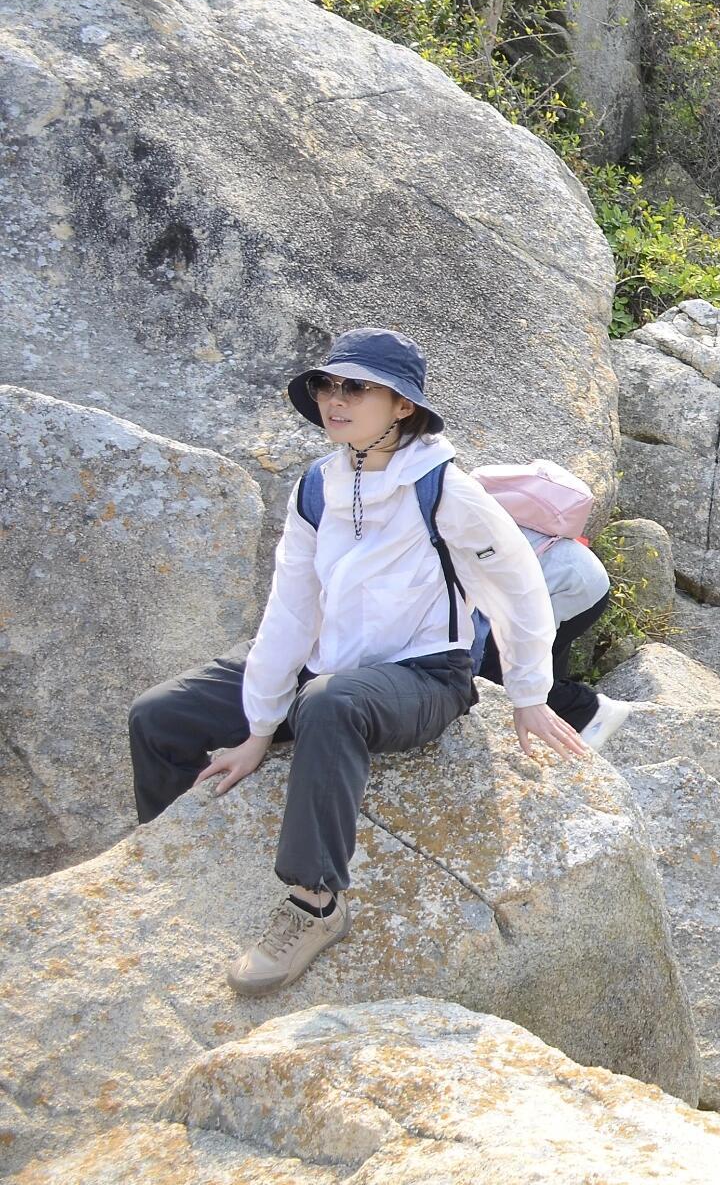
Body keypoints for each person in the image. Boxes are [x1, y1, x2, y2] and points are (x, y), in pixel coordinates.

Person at [127, 329, 584, 997]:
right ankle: (174, 854)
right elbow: (290, 606)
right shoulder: (317, 486)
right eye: (326, 384)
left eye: (356, 387)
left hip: (423, 677)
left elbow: (518, 585)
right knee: (159, 715)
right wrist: (259, 726)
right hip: (324, 665)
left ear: (402, 405)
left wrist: (528, 692)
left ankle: (316, 902)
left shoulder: (444, 489)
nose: (334, 399)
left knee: (329, 703)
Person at [474, 522, 634, 752]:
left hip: (565, 584)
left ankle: (591, 710)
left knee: (500, 671)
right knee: (537, 671)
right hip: (572, 574)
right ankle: (563, 735)